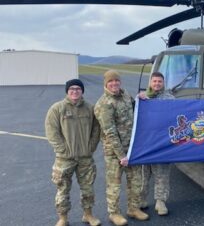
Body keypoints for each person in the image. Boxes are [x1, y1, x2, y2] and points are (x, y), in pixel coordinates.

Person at [94, 70, 148, 226]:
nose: (114, 84)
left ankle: (133, 208)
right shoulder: (104, 103)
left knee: (136, 182)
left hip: (132, 149)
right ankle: (114, 213)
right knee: (114, 185)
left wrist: (139, 98)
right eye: (110, 82)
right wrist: (121, 155)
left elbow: (135, 109)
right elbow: (109, 131)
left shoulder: (125, 96)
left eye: (116, 81)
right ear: (106, 84)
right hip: (115, 153)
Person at [45, 79, 101, 226]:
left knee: (88, 188)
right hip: (64, 159)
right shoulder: (57, 108)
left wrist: (91, 147)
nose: (75, 91)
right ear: (67, 91)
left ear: (82, 91)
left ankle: (88, 215)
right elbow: (52, 132)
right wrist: (63, 150)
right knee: (63, 189)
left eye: (78, 88)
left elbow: (96, 129)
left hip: (85, 157)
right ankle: (63, 218)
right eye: (72, 89)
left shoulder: (90, 108)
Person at [137, 71, 174, 216]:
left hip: (163, 142)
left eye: (160, 81)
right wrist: (138, 99)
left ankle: (160, 201)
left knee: (162, 174)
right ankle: (141, 199)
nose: (157, 84)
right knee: (143, 174)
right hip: (146, 141)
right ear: (150, 82)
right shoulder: (143, 97)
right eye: (154, 81)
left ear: (163, 83)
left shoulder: (170, 99)